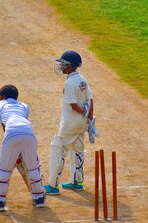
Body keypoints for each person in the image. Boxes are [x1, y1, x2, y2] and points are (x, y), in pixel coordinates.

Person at [44, 50, 97, 195]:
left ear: (70, 66)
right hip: (81, 124)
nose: (61, 66)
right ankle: (77, 182)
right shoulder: (82, 79)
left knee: (58, 149)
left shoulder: (69, 83)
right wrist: (89, 119)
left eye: (63, 64)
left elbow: (73, 105)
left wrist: (84, 113)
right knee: (78, 149)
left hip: (69, 124)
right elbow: (90, 100)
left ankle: (53, 185)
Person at [0, 85, 45, 211]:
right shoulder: (25, 106)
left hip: (11, 134)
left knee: (4, 168)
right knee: (33, 166)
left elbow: (5, 126)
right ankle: (39, 198)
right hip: (29, 134)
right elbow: (22, 122)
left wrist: (12, 150)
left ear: (3, 97)